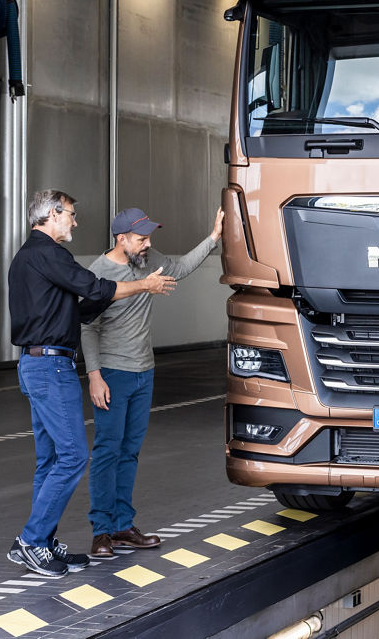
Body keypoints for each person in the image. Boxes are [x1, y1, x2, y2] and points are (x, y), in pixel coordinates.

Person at [6, 189, 175, 577]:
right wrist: (142, 287)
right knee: (72, 456)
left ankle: (43, 543)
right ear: (51, 214)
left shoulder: (29, 257)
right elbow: (97, 288)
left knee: (50, 460)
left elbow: (81, 309)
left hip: (37, 364)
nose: (75, 222)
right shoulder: (48, 253)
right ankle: (32, 541)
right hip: (52, 368)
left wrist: (111, 298)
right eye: (70, 214)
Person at [81, 205, 224, 560]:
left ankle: (123, 526)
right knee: (107, 452)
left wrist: (214, 237)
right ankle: (101, 531)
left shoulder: (148, 260)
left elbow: (180, 268)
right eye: (141, 239)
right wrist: (95, 376)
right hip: (113, 373)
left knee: (129, 452)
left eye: (149, 238)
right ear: (121, 239)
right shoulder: (98, 273)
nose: (148, 244)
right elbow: (87, 327)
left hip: (145, 372)